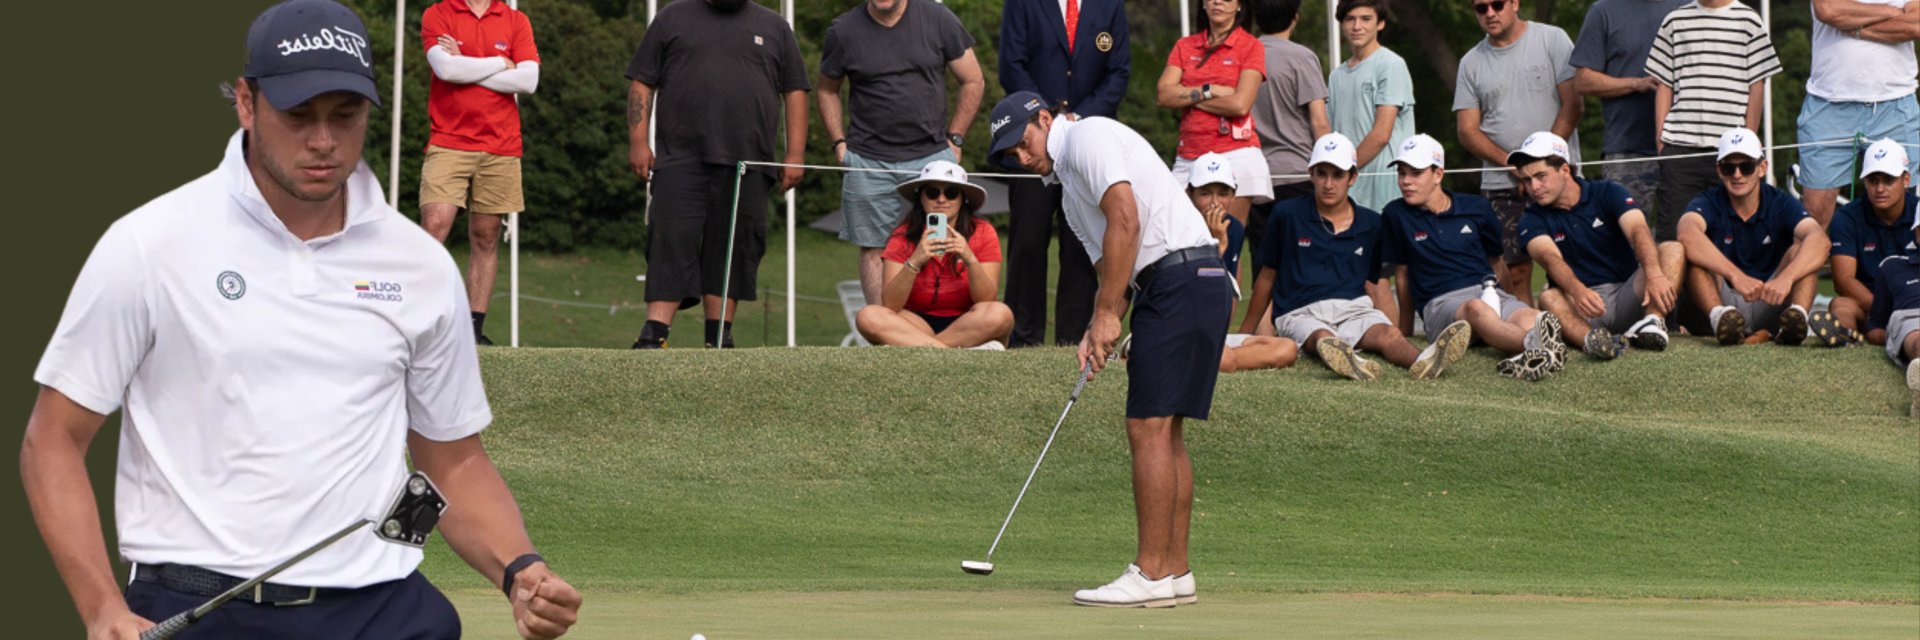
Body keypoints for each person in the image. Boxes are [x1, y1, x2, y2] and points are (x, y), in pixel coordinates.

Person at [20, 3, 582, 638]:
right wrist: (100, 609)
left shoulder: (420, 265)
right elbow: (55, 440)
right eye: (298, 116)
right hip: (200, 608)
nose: (323, 141)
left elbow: (452, 461)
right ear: (245, 103)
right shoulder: (149, 244)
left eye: (345, 117)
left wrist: (521, 569)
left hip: (384, 608)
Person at [988, 90, 1229, 608]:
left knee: (1147, 427)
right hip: (1190, 281)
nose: (1022, 157)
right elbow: (1107, 263)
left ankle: (1149, 572)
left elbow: (1126, 221)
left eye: (1023, 141)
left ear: (1046, 118)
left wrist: (1106, 315)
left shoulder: (1088, 137)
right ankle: (1176, 572)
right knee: (1167, 431)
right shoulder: (1069, 187)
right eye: (1011, 155)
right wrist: (1101, 325)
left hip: (1179, 278)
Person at [625, 0, 810, 349]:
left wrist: (795, 154)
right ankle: (655, 332)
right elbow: (641, 83)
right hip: (679, 157)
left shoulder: (774, 26)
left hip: (749, 162)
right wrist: (637, 140)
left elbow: (795, 91)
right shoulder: (671, 18)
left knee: (734, 249)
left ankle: (718, 337)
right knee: (669, 238)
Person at [1243, 133, 1474, 382]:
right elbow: (1267, 277)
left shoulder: (1372, 223)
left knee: (1390, 336)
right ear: (1311, 174)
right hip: (1300, 312)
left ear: (1352, 177)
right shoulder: (1286, 214)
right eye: (1322, 173)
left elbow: (1376, 284)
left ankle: (1425, 361)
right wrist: (1245, 334)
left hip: (1355, 310)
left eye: (1338, 175)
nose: (1328, 184)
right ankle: (1351, 360)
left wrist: (1396, 328)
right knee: (1322, 337)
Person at [819, 0, 986, 305]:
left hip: (932, 158)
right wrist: (838, 144)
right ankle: (882, 337)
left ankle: (943, 333)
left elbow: (973, 79)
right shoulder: (843, 31)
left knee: (946, 242)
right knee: (872, 249)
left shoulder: (938, 18)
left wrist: (956, 138)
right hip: (867, 161)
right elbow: (827, 90)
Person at [1380, 135, 1566, 381]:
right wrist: (1405, 330)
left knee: (1532, 317)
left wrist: (1508, 300)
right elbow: (1402, 274)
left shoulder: (1476, 207)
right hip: (1441, 305)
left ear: (1438, 174)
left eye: (1415, 173)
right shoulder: (1395, 214)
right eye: (1402, 173)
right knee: (1476, 309)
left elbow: (1496, 262)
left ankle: (1532, 349)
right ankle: (1535, 349)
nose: (1405, 181)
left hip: (1489, 291)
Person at [998, 0, 1129, 348]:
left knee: (1081, 244)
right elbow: (1011, 66)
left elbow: (1118, 72)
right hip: (1031, 143)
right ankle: (1024, 338)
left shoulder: (1110, 5)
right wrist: (1046, 119)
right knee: (1027, 242)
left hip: (1088, 144)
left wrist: (1077, 120)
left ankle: (1072, 339)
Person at [418, 0, 541, 346]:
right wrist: (502, 64)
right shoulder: (438, 13)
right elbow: (446, 71)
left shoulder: (515, 20)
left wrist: (466, 63)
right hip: (448, 140)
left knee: (486, 236)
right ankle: (420, 320)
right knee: (435, 226)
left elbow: (529, 80)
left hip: (501, 146)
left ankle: (472, 330)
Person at [1454, 0, 1583, 306]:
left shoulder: (1552, 38)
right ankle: (1527, 333)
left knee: (1570, 262)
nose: (1489, 13)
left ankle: (1581, 326)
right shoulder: (1470, 62)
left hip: (1559, 175)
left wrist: (1539, 165)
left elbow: (1574, 105)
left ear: (1515, 3)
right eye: (1480, 8)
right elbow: (1467, 131)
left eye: (1497, 4)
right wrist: (1515, 167)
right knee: (1515, 271)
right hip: (1502, 183)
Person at [1512, 132, 1682, 360]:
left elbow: (1638, 230)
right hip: (1581, 304)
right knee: (1548, 297)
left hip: (1628, 293)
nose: (1534, 186)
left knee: (1672, 249)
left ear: (1564, 170)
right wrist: (1576, 289)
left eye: (1541, 176)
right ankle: (1595, 342)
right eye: (1526, 180)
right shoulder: (1530, 219)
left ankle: (1652, 323)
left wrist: (1653, 274)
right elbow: (1549, 258)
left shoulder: (1607, 191)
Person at [1675, 128, 1830, 346]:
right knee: (1694, 256)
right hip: (1723, 299)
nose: (1737, 174)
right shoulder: (1707, 201)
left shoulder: (1780, 201)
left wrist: (1787, 278)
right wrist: (1737, 276)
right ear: (1719, 170)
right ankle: (1720, 319)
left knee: (1801, 252)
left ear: (1762, 168)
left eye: (1746, 166)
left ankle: (1797, 319)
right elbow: (1686, 233)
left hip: (1771, 296)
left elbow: (1820, 241)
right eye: (1729, 167)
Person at [1644, 0, 1782, 242]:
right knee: (1673, 238)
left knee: (1732, 235)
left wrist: (1748, 141)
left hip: (1732, 151)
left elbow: (1756, 86)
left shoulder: (1749, 20)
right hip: (1680, 147)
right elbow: (1664, 83)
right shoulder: (1675, 20)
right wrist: (1661, 140)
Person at [855, 161, 1014, 348]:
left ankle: (918, 348)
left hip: (966, 321)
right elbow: (890, 304)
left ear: (963, 199)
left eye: (951, 193)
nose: (941, 199)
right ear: (921, 198)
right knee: (868, 316)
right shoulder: (902, 235)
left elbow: (987, 299)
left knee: (1000, 314)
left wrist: (969, 258)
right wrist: (915, 261)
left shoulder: (983, 231)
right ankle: (951, 351)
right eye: (932, 193)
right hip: (915, 322)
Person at [1570, 0, 1688, 237]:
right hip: (1626, 150)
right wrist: (1636, 83)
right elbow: (1583, 80)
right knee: (1623, 243)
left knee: (1686, 242)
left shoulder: (1690, 6)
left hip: (1685, 148)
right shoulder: (1603, 11)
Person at [1796, 0, 1919, 228]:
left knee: (1903, 212)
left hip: (1896, 105)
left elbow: (1915, 25)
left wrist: (1856, 28)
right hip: (1828, 104)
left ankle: (1897, 265)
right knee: (1814, 217)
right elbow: (1829, 11)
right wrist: (1892, 12)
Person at [1157, 0, 1273, 242]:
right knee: (1179, 239)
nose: (1217, 1)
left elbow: (1240, 104)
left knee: (1228, 242)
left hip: (1237, 153)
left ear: (1240, 6)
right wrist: (1210, 90)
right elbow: (1163, 95)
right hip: (1189, 154)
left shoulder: (1251, 45)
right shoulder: (1184, 45)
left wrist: (1187, 96)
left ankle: (1227, 283)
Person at [1187, 152, 1300, 373]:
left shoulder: (1235, 229)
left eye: (1223, 193)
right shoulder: (1178, 229)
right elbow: (1190, 294)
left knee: (1287, 348)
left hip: (1213, 335)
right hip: (1177, 328)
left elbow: (1227, 294)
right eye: (1205, 193)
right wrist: (1216, 247)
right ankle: (1218, 359)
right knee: (1224, 359)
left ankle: (1218, 358)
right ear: (1189, 194)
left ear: (1234, 195)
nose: (1214, 203)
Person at [1249, 0, 1332, 275]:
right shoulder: (1302, 57)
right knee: (1305, 267)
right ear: (1295, 18)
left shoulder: (1243, 55)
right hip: (1297, 175)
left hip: (1256, 176)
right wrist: (1334, 167)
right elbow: (1319, 122)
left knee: (1263, 272)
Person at [1326, 0, 1415, 212]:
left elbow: (1381, 134)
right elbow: (1332, 133)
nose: (1357, 26)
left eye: (1366, 19)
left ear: (1380, 24)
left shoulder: (1391, 64)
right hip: (1349, 186)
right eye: (1350, 19)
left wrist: (1345, 170)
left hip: (1384, 183)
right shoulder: (1336, 75)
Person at [1826, 139, 1919, 341]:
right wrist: (1883, 312)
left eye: (1888, 179)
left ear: (1906, 180)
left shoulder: (1919, 212)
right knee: (1840, 307)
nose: (1879, 188)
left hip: (1913, 304)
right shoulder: (1846, 217)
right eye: (1873, 179)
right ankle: (1849, 344)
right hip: (1867, 305)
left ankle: (1883, 335)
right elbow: (1843, 281)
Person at [1863, 217, 1920, 416]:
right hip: (1912, 318)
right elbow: (1875, 324)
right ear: (1918, 234)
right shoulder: (1893, 267)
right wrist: (1886, 337)